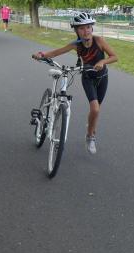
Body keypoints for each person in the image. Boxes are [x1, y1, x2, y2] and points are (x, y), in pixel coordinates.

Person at [31, 13, 118, 154]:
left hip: (102, 78)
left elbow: (114, 57)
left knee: (95, 111)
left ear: (92, 28)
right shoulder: (76, 45)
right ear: (76, 31)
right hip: (87, 78)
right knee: (95, 109)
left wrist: (102, 61)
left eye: (88, 27)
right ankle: (90, 137)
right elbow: (55, 52)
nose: (86, 31)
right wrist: (41, 54)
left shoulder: (99, 41)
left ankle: (90, 129)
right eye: (82, 28)